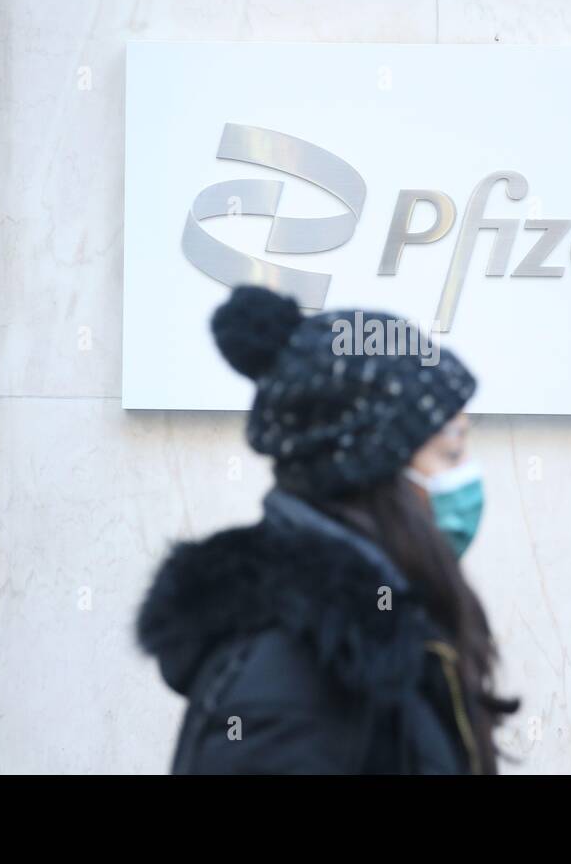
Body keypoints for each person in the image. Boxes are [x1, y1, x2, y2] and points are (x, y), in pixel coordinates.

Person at [137, 285, 517, 774]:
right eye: (450, 452)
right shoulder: (288, 691)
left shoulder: (384, 633)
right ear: (371, 473)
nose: (466, 476)